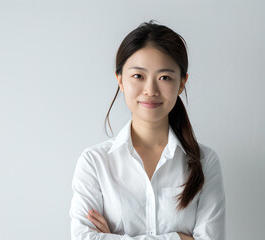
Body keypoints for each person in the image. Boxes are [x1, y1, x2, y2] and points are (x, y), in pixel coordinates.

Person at [69, 20, 226, 240]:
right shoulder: (94, 163)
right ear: (120, 80)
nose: (150, 90)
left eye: (164, 77)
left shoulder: (204, 161)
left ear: (182, 83)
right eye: (138, 76)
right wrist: (180, 238)